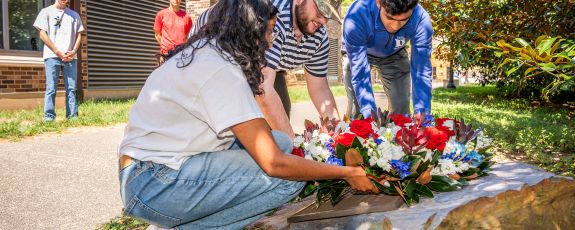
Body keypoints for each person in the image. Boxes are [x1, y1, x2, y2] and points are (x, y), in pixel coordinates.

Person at [118, 0, 377, 229]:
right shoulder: (222, 71)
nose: (272, 40)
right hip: (153, 184)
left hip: (152, 170)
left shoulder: (210, 53)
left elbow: (270, 143)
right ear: (250, 31)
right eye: (270, 31)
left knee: (282, 142)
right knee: (288, 180)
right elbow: (273, 163)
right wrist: (346, 172)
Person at [191, 0, 343, 140]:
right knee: (241, 126)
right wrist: (296, 146)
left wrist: (338, 134)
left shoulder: (320, 37)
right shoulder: (275, 17)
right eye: (320, 10)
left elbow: (320, 89)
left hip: (258, 66)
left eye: (327, 15)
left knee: (280, 115)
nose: (323, 20)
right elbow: (262, 88)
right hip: (212, 52)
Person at [343, 0, 433, 118]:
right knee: (359, 111)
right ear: (379, 3)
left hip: (394, 53)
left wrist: (423, 112)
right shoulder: (356, 15)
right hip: (359, 52)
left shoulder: (421, 19)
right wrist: (369, 113)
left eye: (403, 20)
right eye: (390, 18)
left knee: (401, 109)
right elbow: (359, 74)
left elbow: (421, 70)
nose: (395, 26)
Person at [33, 0, 84, 121]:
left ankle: (72, 116)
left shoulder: (74, 15)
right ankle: (49, 117)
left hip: (70, 57)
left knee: (71, 89)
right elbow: (42, 34)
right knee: (51, 88)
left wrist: (74, 51)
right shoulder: (46, 12)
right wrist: (57, 51)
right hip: (52, 56)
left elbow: (79, 35)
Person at [154, 0, 193, 65]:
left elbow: (188, 35)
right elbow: (157, 35)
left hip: (181, 54)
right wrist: (165, 47)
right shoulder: (161, 14)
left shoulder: (187, 17)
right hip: (166, 55)